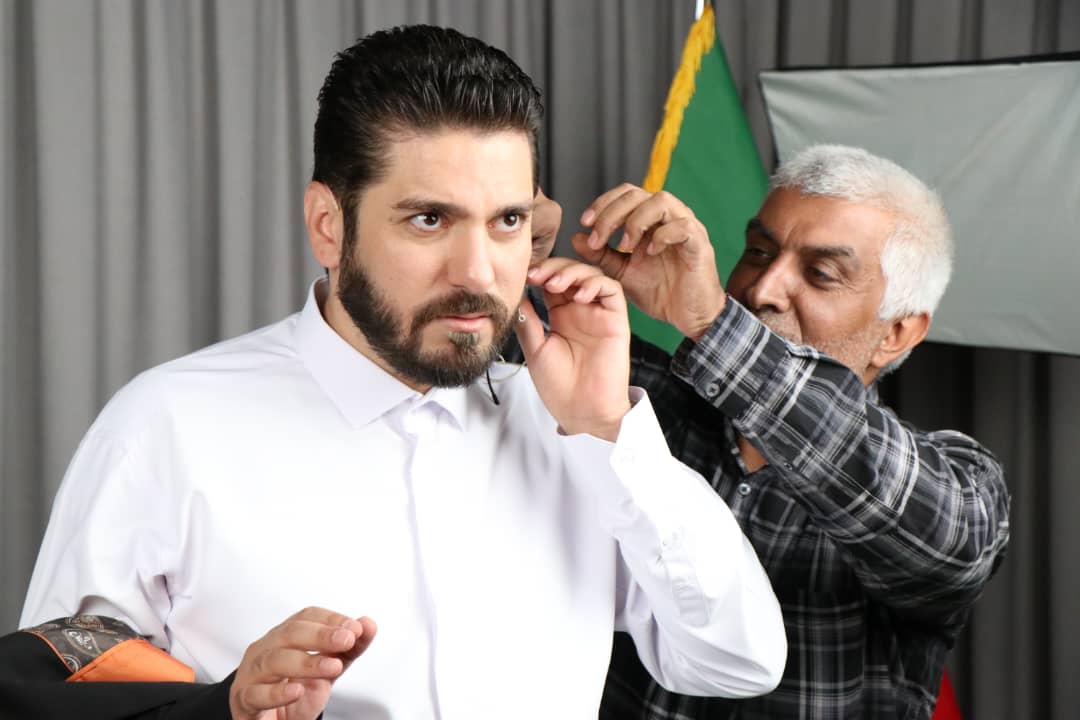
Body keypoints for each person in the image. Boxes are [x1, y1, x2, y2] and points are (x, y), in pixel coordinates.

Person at [19, 25, 787, 720]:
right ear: (329, 226)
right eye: (429, 219)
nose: (478, 272)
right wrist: (226, 711)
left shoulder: (582, 439)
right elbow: (54, 700)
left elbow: (737, 661)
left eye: (507, 221)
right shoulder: (163, 428)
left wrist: (608, 432)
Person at [553, 145, 1010, 719]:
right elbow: (487, 334)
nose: (763, 289)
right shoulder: (633, 397)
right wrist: (515, 235)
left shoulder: (960, 484)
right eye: (758, 252)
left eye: (821, 274)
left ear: (896, 333)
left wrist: (714, 324)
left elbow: (944, 540)